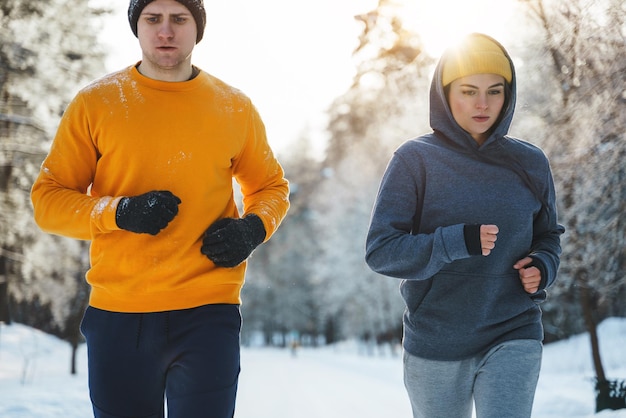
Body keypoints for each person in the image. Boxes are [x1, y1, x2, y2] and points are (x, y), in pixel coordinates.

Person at [31, 0, 289, 416]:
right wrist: (118, 212)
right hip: (119, 312)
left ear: (197, 27)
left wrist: (253, 229)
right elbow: (48, 201)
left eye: (178, 19)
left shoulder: (233, 107)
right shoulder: (96, 103)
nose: (165, 31)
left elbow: (272, 187)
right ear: (137, 26)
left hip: (208, 310)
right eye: (153, 19)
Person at [365, 33, 564, 418]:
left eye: (495, 91)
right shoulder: (415, 160)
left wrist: (543, 265)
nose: (482, 104)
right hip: (437, 339)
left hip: (513, 328)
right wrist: (454, 242)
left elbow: (548, 234)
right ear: (444, 93)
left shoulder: (530, 162)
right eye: (468, 91)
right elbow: (381, 251)